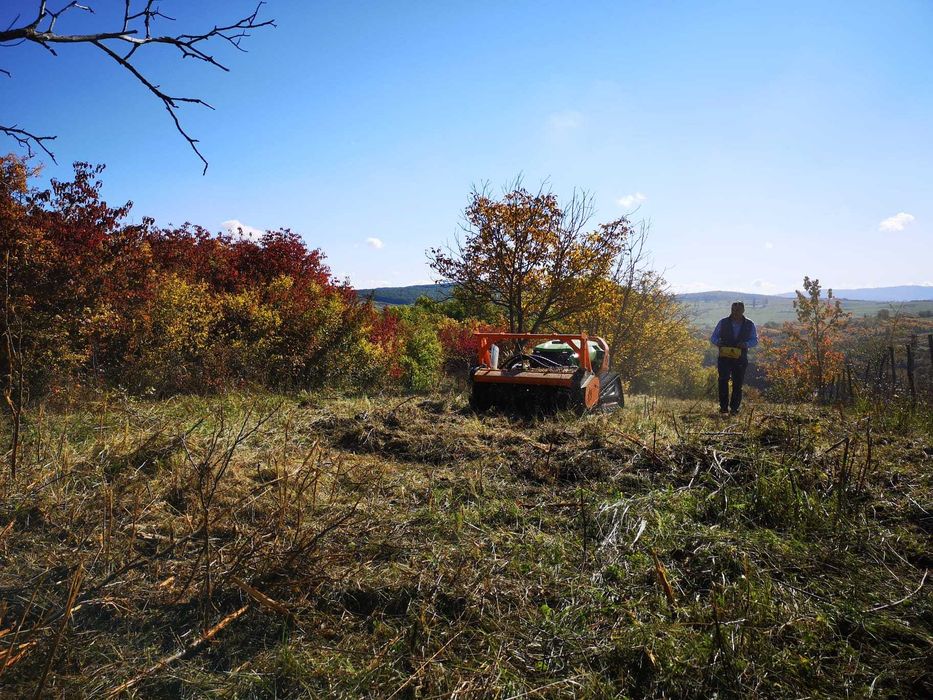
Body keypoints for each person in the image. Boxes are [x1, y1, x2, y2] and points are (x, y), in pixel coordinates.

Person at [710, 301, 758, 415]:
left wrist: (746, 344)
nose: (735, 312)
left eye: (738, 310)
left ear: (743, 310)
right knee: (723, 381)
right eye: (733, 310)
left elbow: (754, 340)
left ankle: (734, 408)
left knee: (738, 383)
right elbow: (713, 337)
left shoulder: (749, 324)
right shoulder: (723, 322)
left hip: (740, 358)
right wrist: (718, 342)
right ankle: (723, 407)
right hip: (724, 357)